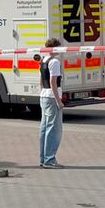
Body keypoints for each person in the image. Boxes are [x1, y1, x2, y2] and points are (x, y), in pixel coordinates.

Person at [39, 38, 65, 169]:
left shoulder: (44, 60)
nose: (61, 49)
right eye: (59, 47)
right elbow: (53, 82)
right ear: (54, 48)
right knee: (54, 130)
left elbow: (41, 80)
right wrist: (58, 100)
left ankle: (43, 158)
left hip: (44, 96)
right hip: (51, 97)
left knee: (44, 128)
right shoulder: (54, 62)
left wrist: (42, 93)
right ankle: (49, 159)